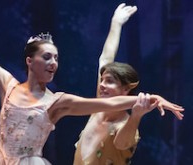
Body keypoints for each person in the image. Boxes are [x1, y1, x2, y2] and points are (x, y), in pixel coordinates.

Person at [0, 7, 183, 165]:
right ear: (29, 61)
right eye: (47, 57)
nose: (53, 62)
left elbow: (106, 103)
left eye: (56, 58)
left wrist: (150, 99)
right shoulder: (7, 85)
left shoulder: (57, 102)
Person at [73, 3, 182, 165]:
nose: (102, 85)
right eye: (102, 80)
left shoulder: (124, 125)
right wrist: (116, 24)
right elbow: (105, 59)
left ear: (125, 89)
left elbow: (121, 143)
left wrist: (136, 115)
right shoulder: (98, 107)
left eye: (109, 81)